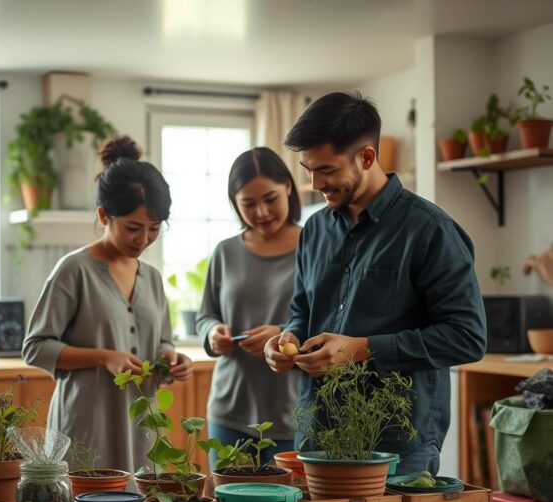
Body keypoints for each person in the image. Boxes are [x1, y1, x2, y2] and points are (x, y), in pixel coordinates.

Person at [264, 92, 486, 475]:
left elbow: (468, 336)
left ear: (366, 157)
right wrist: (288, 339)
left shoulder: (430, 230)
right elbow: (302, 308)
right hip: (319, 435)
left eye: (327, 170)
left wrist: (364, 349)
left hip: (397, 445)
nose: (315, 183)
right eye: (308, 169)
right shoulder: (315, 229)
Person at [23, 136, 193, 474]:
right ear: (104, 215)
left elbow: (162, 341)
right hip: (86, 424)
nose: (143, 239)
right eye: (133, 228)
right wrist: (104, 357)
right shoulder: (74, 270)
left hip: (143, 425)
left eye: (155, 229)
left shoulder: (153, 278)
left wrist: (171, 359)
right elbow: (35, 347)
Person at [196, 147, 302, 470]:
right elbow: (205, 315)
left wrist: (285, 334)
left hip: (293, 412)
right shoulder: (225, 252)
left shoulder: (314, 245)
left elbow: (332, 321)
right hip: (230, 411)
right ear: (235, 204)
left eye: (270, 199)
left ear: (288, 186)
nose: (261, 212)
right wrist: (213, 333)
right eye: (248, 204)